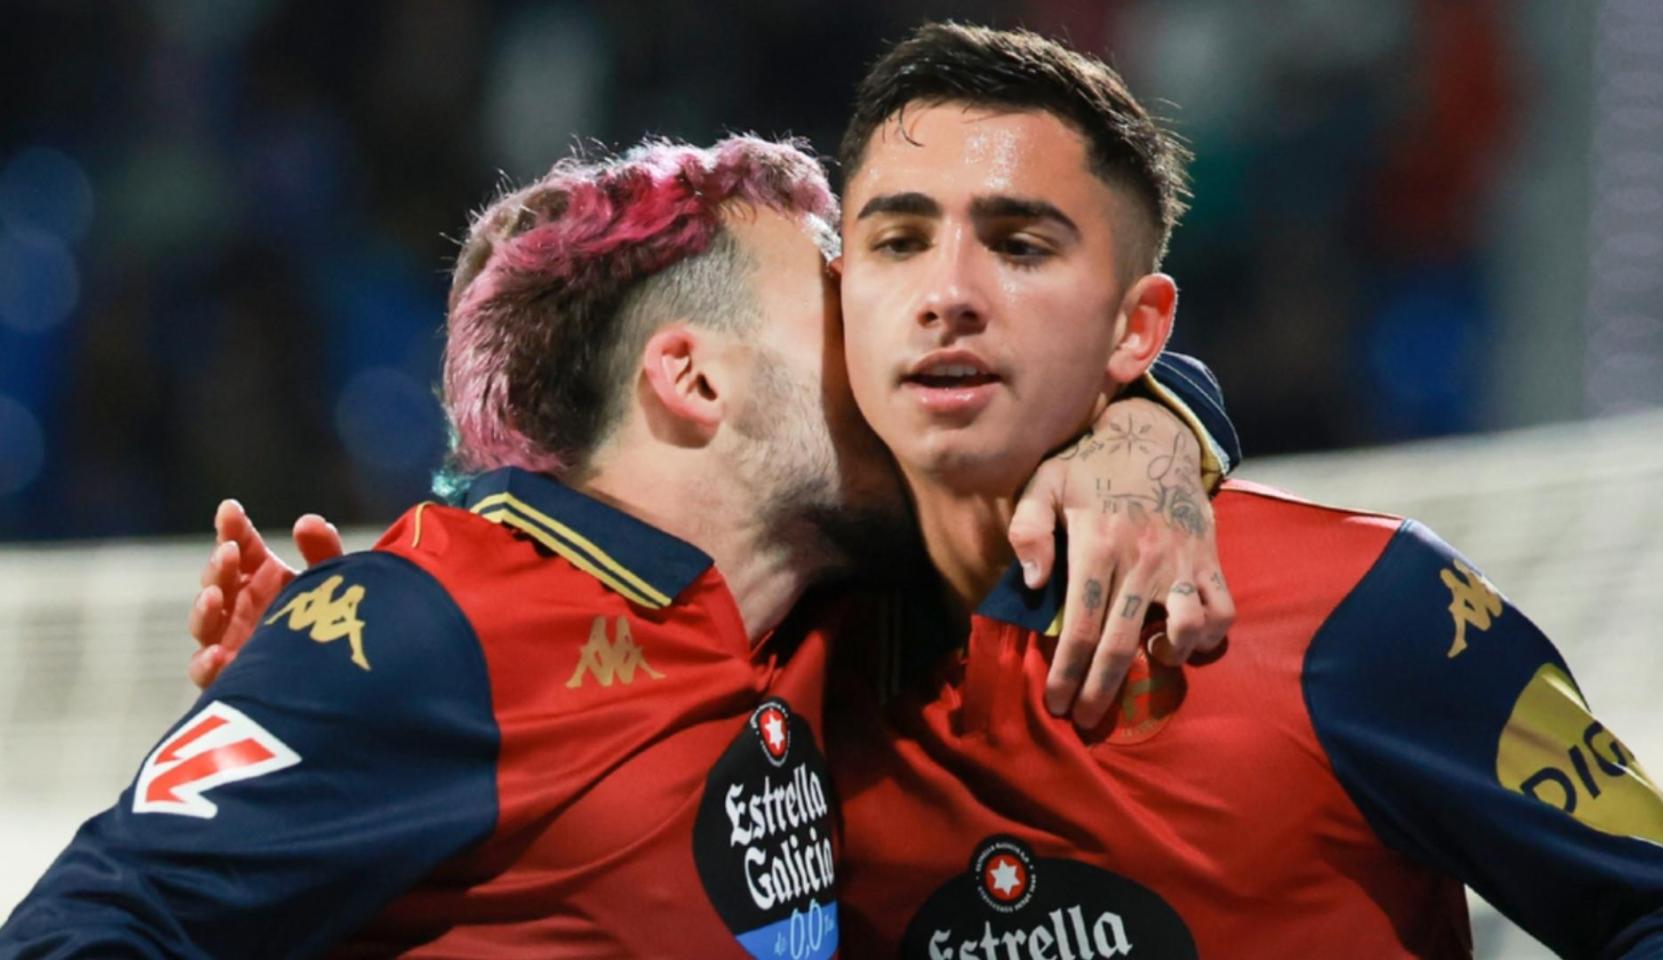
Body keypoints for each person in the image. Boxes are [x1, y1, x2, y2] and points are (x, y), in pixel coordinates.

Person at [0, 129, 1236, 954]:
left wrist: (1152, 437)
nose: (898, 334)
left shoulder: (827, 608)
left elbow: (1066, 357)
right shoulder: (435, 622)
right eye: (832, 298)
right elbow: (85, 930)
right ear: (691, 381)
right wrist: (325, 688)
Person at [815, 23, 1663, 957]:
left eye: (1021, 245)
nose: (946, 292)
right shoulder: (782, 632)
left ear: (1138, 328)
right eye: (899, 241)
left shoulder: (1369, 605)